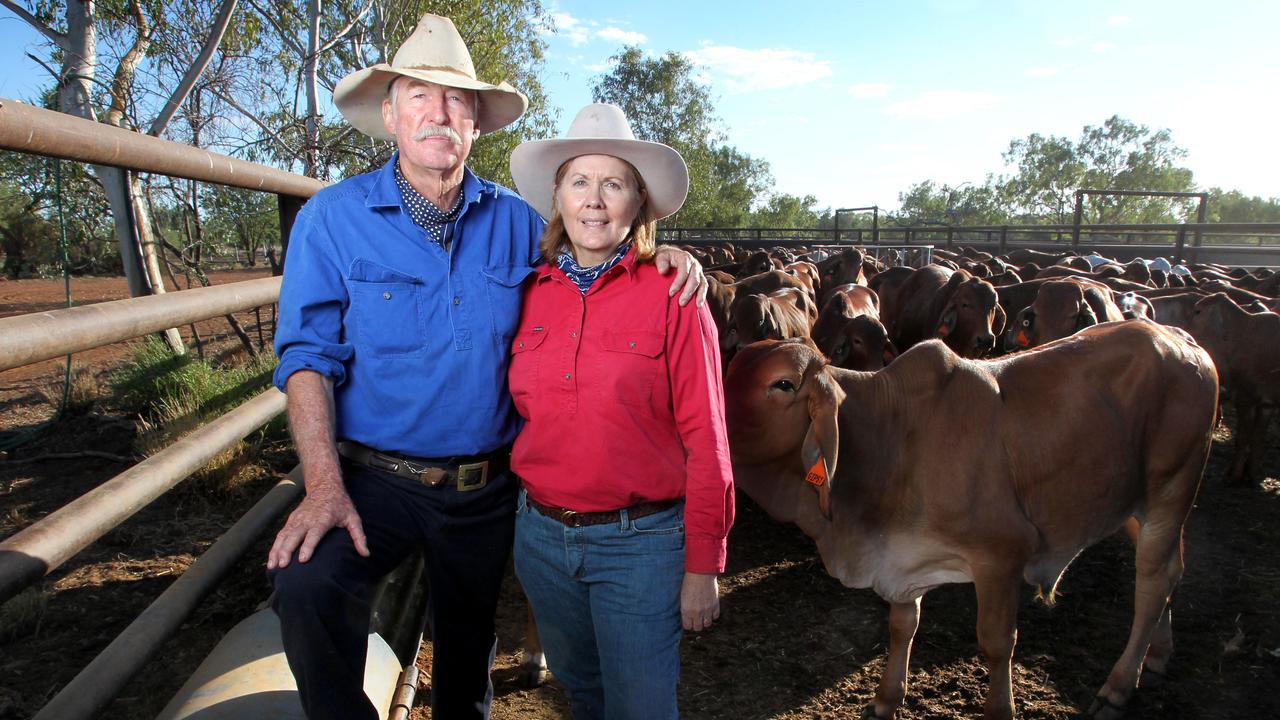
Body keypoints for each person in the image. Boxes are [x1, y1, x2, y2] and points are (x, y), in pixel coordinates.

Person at [265, 16, 705, 720]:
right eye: (419, 96)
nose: (439, 113)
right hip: (378, 478)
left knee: (467, 658)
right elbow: (307, 357)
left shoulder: (516, 222)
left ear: (477, 126)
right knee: (306, 587)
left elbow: (597, 255)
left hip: (487, 486)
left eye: (458, 101)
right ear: (389, 115)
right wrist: (322, 484)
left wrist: (666, 257)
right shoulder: (332, 219)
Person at [505, 103, 735, 720]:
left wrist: (703, 562)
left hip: (641, 544)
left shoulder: (675, 296)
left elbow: (708, 438)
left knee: (640, 708)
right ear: (558, 196)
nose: (595, 200)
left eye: (614, 184)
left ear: (639, 203)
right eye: (580, 182)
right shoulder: (525, 295)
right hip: (541, 539)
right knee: (581, 693)